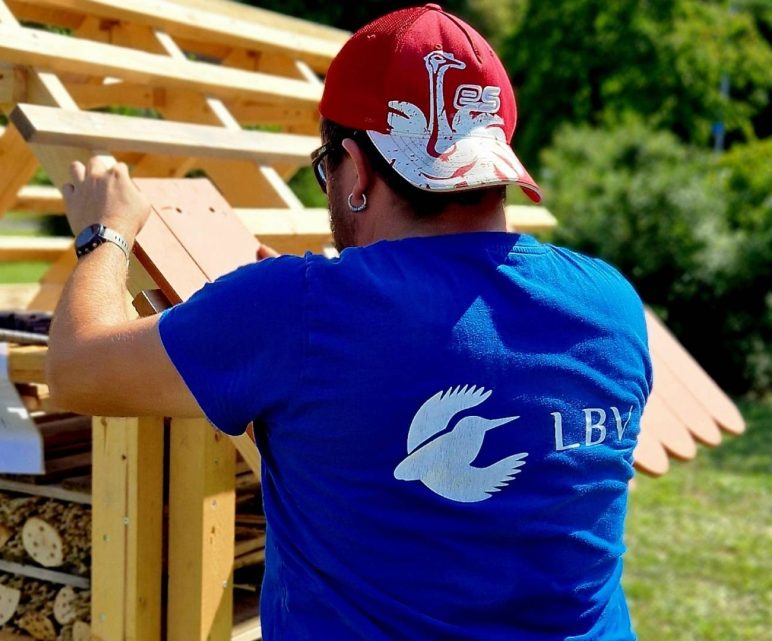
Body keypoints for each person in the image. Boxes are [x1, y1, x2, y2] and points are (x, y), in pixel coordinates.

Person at [47, 4, 651, 640]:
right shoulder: (609, 303)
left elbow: (75, 368)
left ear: (356, 168)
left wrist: (106, 231)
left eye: (325, 166)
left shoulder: (297, 310)